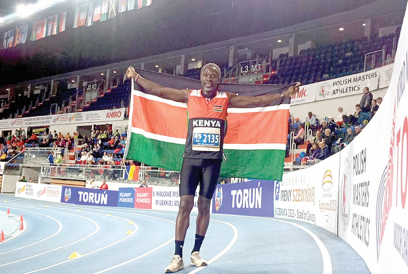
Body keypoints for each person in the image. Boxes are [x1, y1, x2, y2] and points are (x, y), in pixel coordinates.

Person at [125, 64, 299, 273]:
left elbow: (255, 101)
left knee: (204, 206)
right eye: (206, 75)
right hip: (190, 160)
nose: (209, 79)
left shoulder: (226, 98)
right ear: (201, 78)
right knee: (184, 205)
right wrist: (137, 77)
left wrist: (283, 94)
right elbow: (159, 91)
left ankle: (196, 252)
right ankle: (177, 256)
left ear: (218, 79)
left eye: (213, 76)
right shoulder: (189, 96)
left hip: (213, 162)